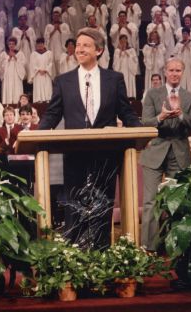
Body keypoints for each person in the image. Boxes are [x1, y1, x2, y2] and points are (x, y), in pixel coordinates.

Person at [39, 27, 141, 249]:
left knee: (102, 206)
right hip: (75, 154)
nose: (79, 48)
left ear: (99, 50)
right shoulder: (63, 81)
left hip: (106, 154)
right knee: (74, 205)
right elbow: (53, 114)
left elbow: (126, 112)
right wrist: (37, 134)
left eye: (86, 45)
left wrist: (141, 130)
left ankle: (101, 256)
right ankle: (75, 257)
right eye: (78, 44)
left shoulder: (114, 79)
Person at [140, 58, 191, 250]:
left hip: (179, 153)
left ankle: (176, 247)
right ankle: (148, 248)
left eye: (178, 70)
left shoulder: (189, 97)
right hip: (155, 151)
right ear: (165, 71)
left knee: (178, 201)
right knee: (150, 202)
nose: (175, 73)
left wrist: (181, 114)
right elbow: (145, 122)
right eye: (171, 70)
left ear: (183, 72)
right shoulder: (152, 94)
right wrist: (161, 117)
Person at [0, 37, 27, 104]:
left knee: (16, 90)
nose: (11, 45)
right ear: (8, 45)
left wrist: (15, 57)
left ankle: (17, 104)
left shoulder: (20, 53)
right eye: (10, 44)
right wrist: (8, 59)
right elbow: (1, 66)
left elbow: (23, 64)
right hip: (7, 76)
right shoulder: (4, 54)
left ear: (15, 45)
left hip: (16, 75)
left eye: (13, 44)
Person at [44, 7, 71, 74]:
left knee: (60, 63)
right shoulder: (49, 26)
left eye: (57, 16)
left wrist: (59, 30)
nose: (56, 17)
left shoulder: (64, 25)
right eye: (54, 16)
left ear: (60, 16)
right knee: (52, 64)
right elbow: (46, 37)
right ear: (52, 17)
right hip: (52, 48)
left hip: (60, 48)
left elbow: (67, 36)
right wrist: (54, 30)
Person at [172, 28, 191, 92]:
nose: (184, 35)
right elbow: (175, 54)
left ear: (189, 34)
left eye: (186, 34)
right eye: (183, 34)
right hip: (182, 65)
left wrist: (188, 46)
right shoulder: (179, 44)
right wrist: (183, 47)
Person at [29, 37, 54, 102]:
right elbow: (32, 64)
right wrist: (39, 70)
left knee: (47, 87)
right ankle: (38, 100)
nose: (40, 45)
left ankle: (48, 99)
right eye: (38, 44)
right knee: (38, 87)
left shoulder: (49, 53)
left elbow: (51, 63)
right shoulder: (33, 54)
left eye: (41, 43)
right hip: (37, 74)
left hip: (46, 73)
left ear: (44, 44)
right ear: (36, 45)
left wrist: (46, 70)